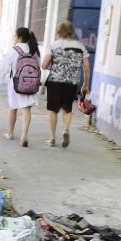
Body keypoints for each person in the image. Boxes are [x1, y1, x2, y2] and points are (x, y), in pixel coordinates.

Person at [41, 20, 90, 148]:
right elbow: (86, 67)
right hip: (72, 82)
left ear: (58, 32)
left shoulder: (54, 45)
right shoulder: (80, 46)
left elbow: (44, 65)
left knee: (53, 110)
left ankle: (52, 138)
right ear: (71, 32)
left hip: (55, 81)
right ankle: (66, 130)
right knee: (67, 109)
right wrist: (85, 84)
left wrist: (57, 63)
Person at [0, 27, 39, 147]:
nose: (14, 38)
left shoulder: (13, 51)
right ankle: (24, 135)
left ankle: (11, 132)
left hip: (16, 83)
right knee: (26, 109)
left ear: (19, 37)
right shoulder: (33, 49)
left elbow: (2, 69)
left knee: (13, 108)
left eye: (15, 36)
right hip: (30, 84)